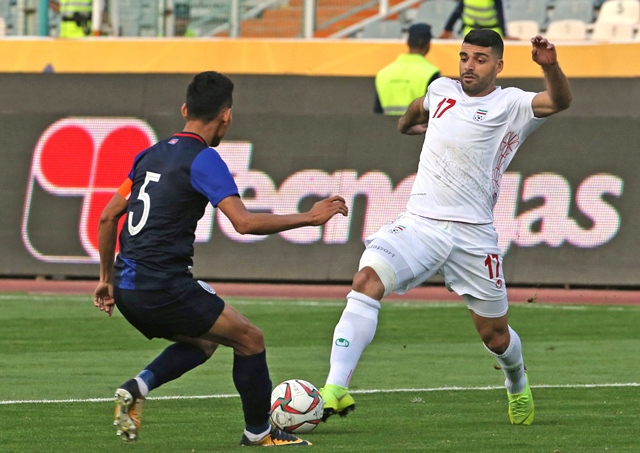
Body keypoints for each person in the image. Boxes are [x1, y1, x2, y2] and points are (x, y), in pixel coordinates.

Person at [320, 30, 571, 426]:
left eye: (480, 59)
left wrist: (550, 66)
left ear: (499, 66)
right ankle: (335, 387)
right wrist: (407, 125)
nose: (469, 65)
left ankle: (517, 382)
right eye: (464, 56)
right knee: (366, 280)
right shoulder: (441, 90)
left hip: (474, 236)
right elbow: (418, 109)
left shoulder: (511, 104)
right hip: (421, 224)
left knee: (496, 337)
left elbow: (558, 101)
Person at [93, 71, 348, 446]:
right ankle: (259, 433)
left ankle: (137, 387)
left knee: (205, 342)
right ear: (226, 116)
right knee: (250, 339)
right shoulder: (203, 159)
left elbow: (107, 215)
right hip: (164, 287)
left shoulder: (150, 154)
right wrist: (309, 217)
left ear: (184, 109)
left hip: (129, 289)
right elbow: (243, 223)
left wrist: (105, 279)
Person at [374, 23, 441, 115]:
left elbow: (377, 113)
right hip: (419, 128)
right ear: (428, 44)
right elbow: (437, 113)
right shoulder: (431, 73)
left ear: (408, 42)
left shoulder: (383, 73)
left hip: (385, 128)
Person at [439, 0, 508, 39]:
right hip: (490, 34)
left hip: (473, 33)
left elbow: (458, 11)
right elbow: (500, 14)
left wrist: (448, 28)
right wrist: (447, 29)